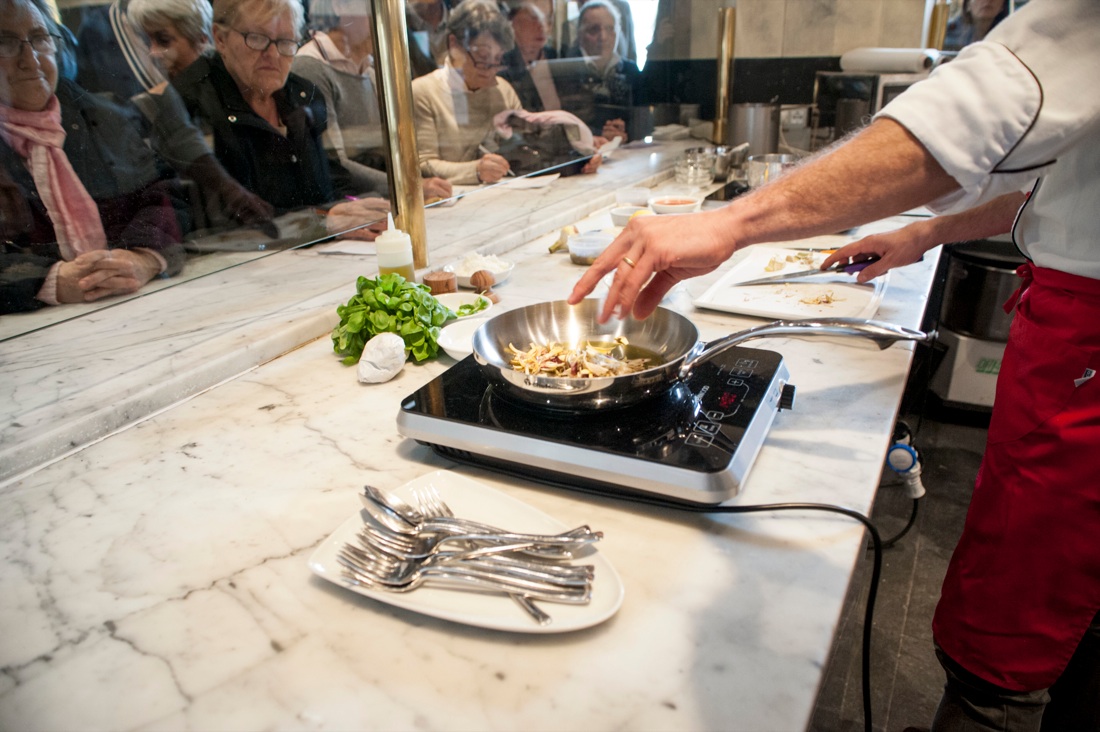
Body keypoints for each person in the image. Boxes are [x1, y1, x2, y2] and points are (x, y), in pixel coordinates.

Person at [570, 1, 1100, 729]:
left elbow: (973, 121)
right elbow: (1061, 184)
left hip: (1088, 342)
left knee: (1037, 594)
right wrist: (928, 233)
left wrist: (731, 223)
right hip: (1070, 323)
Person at [0, 0, 186, 314]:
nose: (31, 61)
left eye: (40, 39)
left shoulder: (100, 117)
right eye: (5, 43)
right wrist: (49, 280)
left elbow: (166, 196)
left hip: (128, 305)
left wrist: (142, 257)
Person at [171, 0, 348, 212]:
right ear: (220, 38)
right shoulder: (192, 103)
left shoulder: (304, 95)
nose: (273, 55)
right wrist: (322, 221)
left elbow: (333, 180)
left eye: (285, 41)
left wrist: (354, 208)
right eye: (256, 38)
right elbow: (223, 220)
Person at [293, 0, 452, 201]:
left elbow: (386, 151)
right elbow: (335, 162)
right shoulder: (311, 67)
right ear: (340, 6)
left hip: (381, 200)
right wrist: (408, 186)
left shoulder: (371, 71)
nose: (386, 21)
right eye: (376, 10)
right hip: (347, 208)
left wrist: (421, 177)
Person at [410, 0, 523, 184]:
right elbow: (422, 165)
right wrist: (476, 170)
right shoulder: (423, 93)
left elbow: (523, 148)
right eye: (483, 57)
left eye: (497, 58)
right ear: (454, 44)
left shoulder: (504, 91)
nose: (490, 69)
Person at [557, 0, 638, 142]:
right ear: (580, 34)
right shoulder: (566, 72)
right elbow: (563, 126)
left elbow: (643, 124)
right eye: (594, 29)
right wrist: (600, 135)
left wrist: (625, 134)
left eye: (609, 28)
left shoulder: (631, 71)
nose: (603, 37)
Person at [498, 2, 559, 113]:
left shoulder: (557, 57)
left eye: (548, 18)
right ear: (511, 20)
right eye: (534, 17)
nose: (542, 26)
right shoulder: (499, 65)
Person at [943, 0, 1011, 51]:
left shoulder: (1009, 38)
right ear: (968, 5)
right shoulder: (947, 34)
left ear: (1002, 6)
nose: (988, 1)